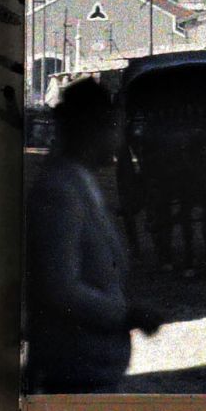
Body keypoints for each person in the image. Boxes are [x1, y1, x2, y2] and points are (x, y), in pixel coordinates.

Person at [26, 79, 162, 393]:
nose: (120, 138)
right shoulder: (60, 189)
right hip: (72, 369)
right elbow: (60, 286)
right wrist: (126, 314)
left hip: (92, 369)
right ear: (95, 129)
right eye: (116, 127)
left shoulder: (82, 182)